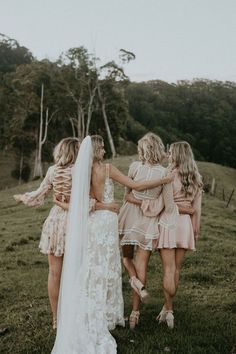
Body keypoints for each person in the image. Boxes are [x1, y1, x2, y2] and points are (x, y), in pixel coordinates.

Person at [51, 135, 174, 354]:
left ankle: (92, 309)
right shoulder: (107, 169)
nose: (106, 150)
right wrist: (163, 181)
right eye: (103, 147)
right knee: (107, 266)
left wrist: (101, 205)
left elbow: (83, 202)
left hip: (92, 223)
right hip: (107, 223)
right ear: (97, 150)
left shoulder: (82, 172)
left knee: (91, 266)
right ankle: (108, 313)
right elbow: (135, 185)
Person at [13, 137, 117, 330]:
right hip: (76, 224)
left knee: (54, 273)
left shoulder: (52, 171)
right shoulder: (81, 172)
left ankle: (56, 319)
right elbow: (89, 203)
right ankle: (75, 315)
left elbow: (39, 194)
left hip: (55, 223)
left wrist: (23, 197)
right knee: (78, 273)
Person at [138, 141, 203, 329]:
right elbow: (196, 210)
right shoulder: (196, 179)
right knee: (176, 270)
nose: (168, 155)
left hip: (169, 223)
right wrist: (195, 231)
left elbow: (164, 204)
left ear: (177, 155)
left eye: (171, 152)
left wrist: (145, 205)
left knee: (168, 269)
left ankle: (169, 310)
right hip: (185, 226)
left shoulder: (168, 176)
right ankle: (166, 310)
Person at [119, 133, 178, 329]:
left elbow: (127, 196)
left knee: (126, 259)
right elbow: (169, 207)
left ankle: (134, 289)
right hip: (149, 223)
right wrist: (153, 204)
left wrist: (140, 201)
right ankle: (135, 313)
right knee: (141, 262)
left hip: (128, 218)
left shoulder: (135, 167)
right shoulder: (165, 174)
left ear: (143, 150)